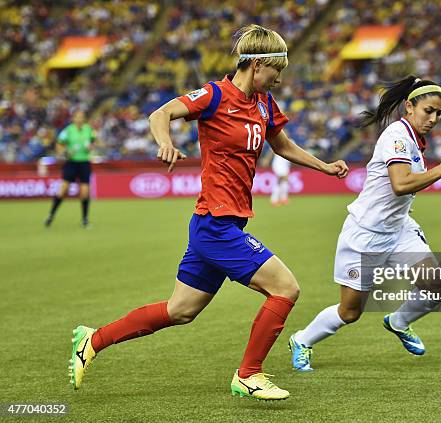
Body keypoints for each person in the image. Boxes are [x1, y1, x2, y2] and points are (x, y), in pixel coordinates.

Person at [68, 25, 349, 400]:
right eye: (276, 70)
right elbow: (161, 113)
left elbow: (283, 145)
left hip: (218, 224)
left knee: (181, 310)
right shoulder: (215, 95)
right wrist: (165, 144)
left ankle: (93, 339)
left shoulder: (264, 103)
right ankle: (249, 374)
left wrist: (324, 166)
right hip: (216, 225)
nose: (279, 79)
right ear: (258, 63)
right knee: (286, 288)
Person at [288, 76, 441, 372]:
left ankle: (399, 321)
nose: (434, 119)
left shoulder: (415, 138)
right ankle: (302, 340)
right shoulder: (397, 136)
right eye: (429, 111)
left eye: (439, 113)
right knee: (350, 311)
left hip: (398, 230)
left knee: (436, 283)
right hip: (365, 235)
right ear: (409, 106)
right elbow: (400, 184)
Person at [45, 110, 95, 228]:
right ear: (73, 118)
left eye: (82, 117)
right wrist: (65, 152)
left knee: (85, 192)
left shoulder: (88, 129)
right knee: (63, 191)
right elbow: (59, 144)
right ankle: (51, 215)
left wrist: (90, 147)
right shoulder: (68, 130)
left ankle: (85, 220)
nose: (80, 119)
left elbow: (93, 142)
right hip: (71, 163)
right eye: (78, 117)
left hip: (84, 163)